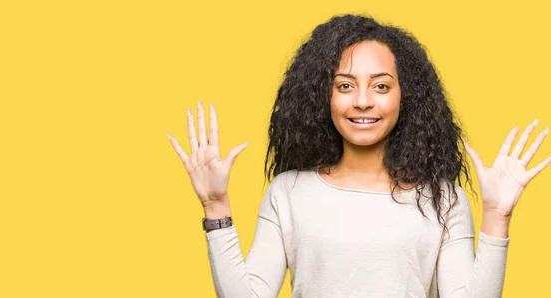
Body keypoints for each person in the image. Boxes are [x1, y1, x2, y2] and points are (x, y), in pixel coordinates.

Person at [167, 14, 551, 297]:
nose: (363, 101)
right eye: (345, 85)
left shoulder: (443, 199)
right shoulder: (288, 192)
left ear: (405, 96)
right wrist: (215, 205)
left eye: (381, 85)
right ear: (323, 96)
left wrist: (497, 217)